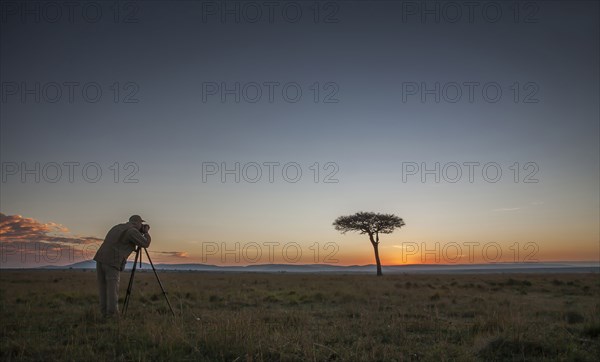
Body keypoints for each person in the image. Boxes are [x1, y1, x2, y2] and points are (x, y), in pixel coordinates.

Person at [94, 215, 151, 318]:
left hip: (100, 259)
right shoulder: (131, 231)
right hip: (112, 262)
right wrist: (146, 232)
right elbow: (145, 243)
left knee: (103, 288)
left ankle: (104, 314)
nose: (141, 225)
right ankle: (112, 316)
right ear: (137, 223)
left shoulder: (117, 227)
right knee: (112, 289)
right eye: (141, 224)